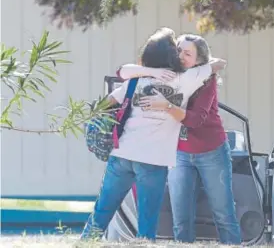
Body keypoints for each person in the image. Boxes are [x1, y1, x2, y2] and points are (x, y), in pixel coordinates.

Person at [80, 28, 226, 241]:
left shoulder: (135, 81)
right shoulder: (184, 79)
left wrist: (147, 72)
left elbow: (108, 100)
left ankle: (85, 243)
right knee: (147, 223)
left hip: (122, 154)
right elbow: (219, 64)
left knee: (101, 213)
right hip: (153, 160)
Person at [118, 34, 241, 244]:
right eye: (179, 51)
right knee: (181, 219)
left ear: (199, 60)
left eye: (188, 53)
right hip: (179, 153)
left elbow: (194, 121)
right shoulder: (167, 73)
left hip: (211, 151)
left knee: (224, 215)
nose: (181, 56)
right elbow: (122, 72)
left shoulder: (205, 81)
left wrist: (165, 105)